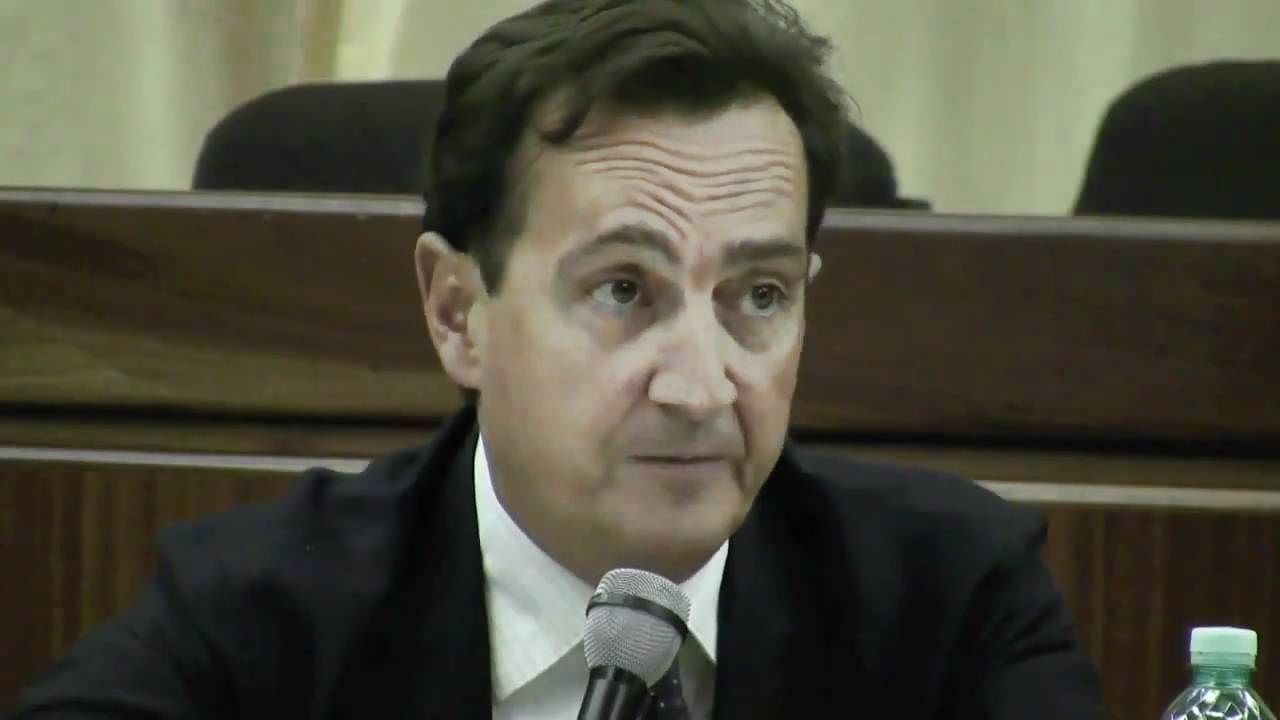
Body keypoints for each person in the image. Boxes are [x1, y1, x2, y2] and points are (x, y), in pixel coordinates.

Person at [8, 0, 1102, 718]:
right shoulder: (261, 615)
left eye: (759, 297)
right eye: (623, 291)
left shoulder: (951, 603)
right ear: (458, 313)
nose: (700, 387)